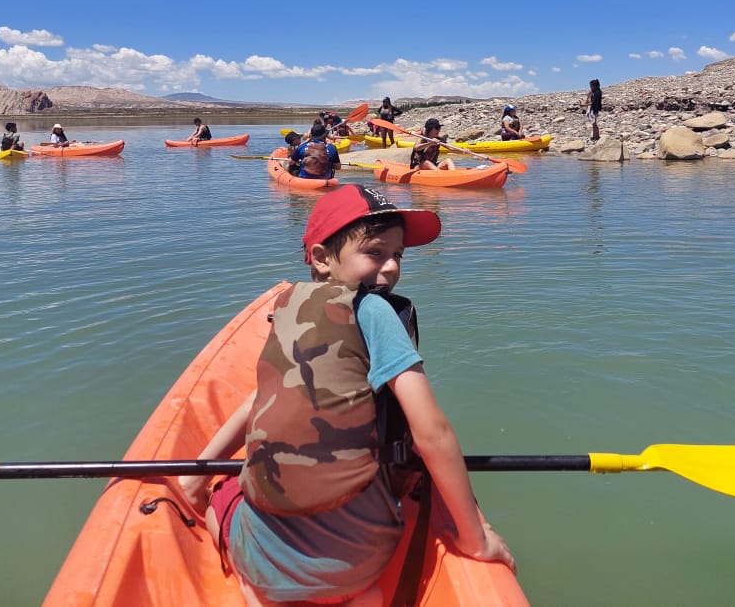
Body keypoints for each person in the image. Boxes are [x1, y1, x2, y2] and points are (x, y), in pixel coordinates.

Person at [179, 185, 516, 605]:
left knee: (224, 495)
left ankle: (256, 590)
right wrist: (475, 539)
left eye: (399, 255)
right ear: (321, 257)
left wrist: (195, 477)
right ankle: (357, 596)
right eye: (375, 253)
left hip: (266, 568)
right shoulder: (375, 310)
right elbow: (432, 433)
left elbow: (260, 399)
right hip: (360, 563)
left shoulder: (285, 305)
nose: (391, 267)